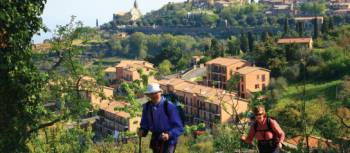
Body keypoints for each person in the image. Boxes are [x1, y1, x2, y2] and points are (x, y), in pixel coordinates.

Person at [138, 83, 184, 153]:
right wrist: (142, 131)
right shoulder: (147, 107)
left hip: (169, 141)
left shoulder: (169, 106)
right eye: (151, 93)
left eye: (155, 93)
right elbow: (145, 124)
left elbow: (179, 127)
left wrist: (169, 134)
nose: (153, 95)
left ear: (160, 92)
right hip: (155, 139)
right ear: (148, 95)